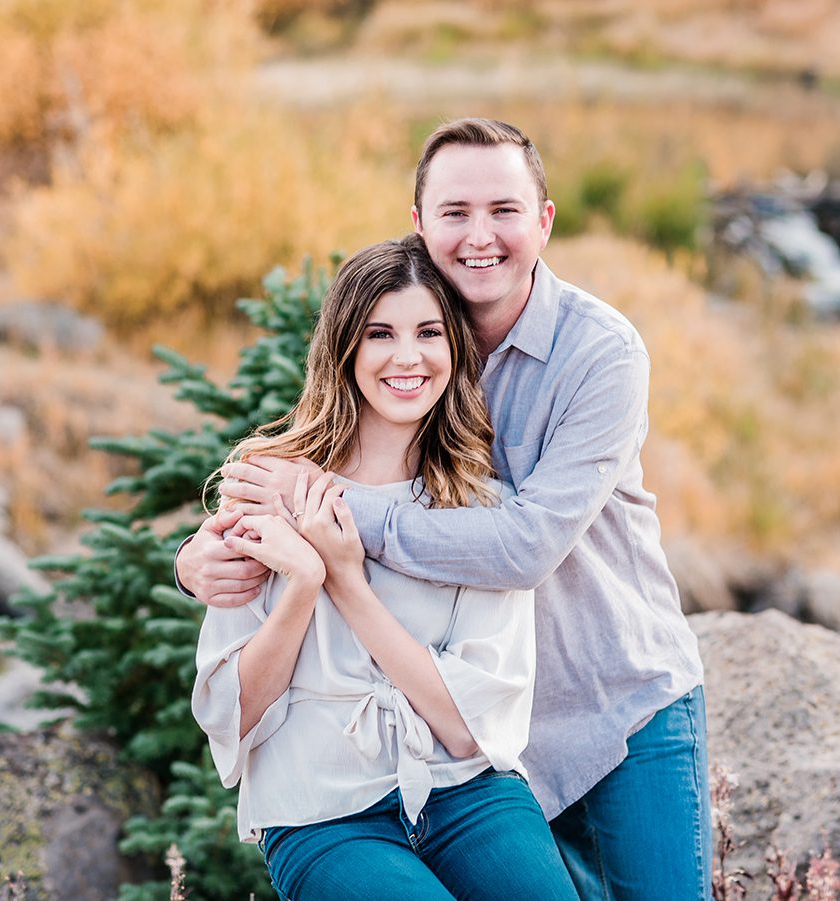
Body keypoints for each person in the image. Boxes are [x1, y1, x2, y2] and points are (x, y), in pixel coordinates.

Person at [181, 119, 710, 900]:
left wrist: (326, 521)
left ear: (545, 221)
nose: (481, 235)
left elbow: (525, 545)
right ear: (419, 225)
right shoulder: (414, 333)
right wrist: (203, 556)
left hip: (609, 699)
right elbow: (313, 447)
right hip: (466, 744)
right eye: (455, 212)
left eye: (505, 209)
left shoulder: (599, 354)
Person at [190, 235, 579, 901]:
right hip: (321, 807)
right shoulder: (266, 486)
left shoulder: (483, 507)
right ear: (345, 348)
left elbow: (464, 728)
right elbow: (234, 710)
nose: (407, 357)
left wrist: (344, 577)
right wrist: (302, 587)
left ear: (455, 348)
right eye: (379, 334)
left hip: (464, 793)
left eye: (429, 331)